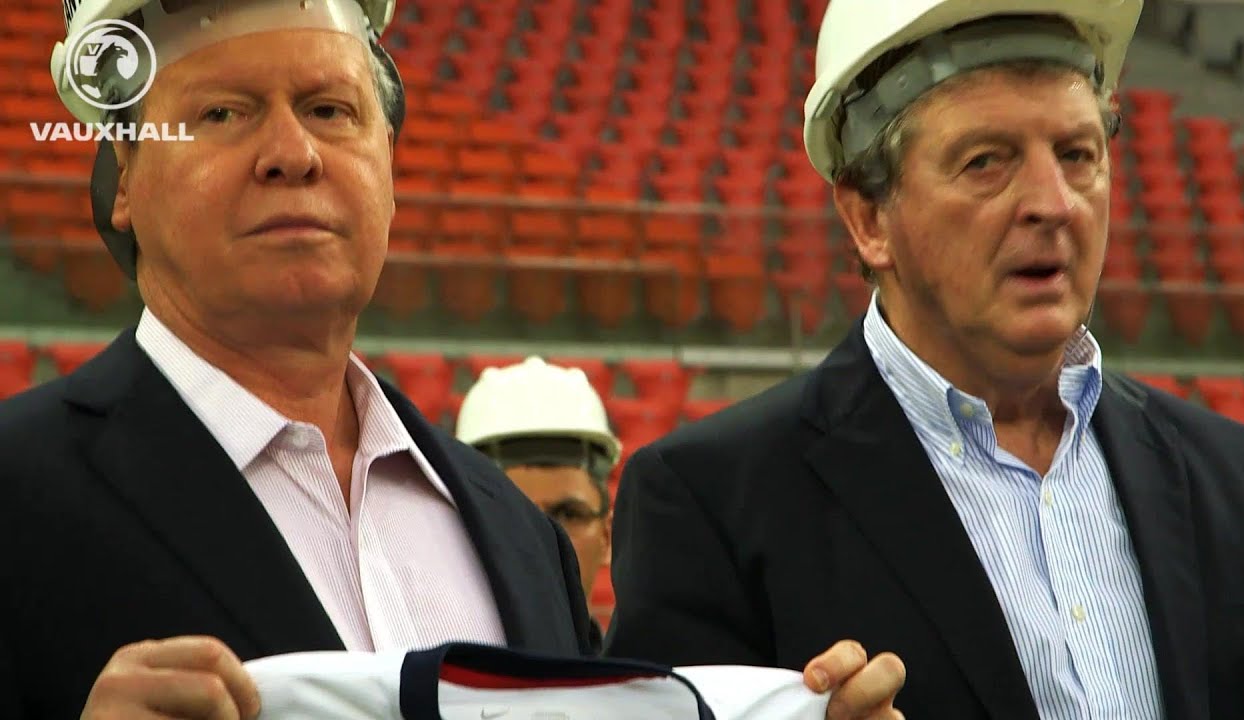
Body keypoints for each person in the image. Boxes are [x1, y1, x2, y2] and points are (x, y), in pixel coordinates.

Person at [0, 0, 907, 717]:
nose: (292, 153)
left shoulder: (517, 533)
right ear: (125, 175)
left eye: (330, 109)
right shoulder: (18, 493)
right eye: (224, 114)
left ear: (389, 162)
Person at [605, 0, 1244, 718]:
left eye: (1078, 155)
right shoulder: (712, 503)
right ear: (870, 220)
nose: (1053, 204)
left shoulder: (1232, 471)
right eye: (986, 162)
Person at [455, 356, 619, 654]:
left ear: (607, 537)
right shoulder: (419, 690)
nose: (544, 541)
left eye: (569, 514)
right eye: (512, 516)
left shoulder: (642, 693)